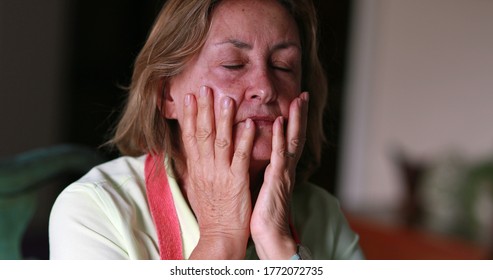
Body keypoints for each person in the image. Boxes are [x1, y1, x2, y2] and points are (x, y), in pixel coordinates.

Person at [49, 0, 364, 260]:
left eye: (283, 66)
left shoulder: (322, 215)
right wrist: (221, 234)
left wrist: (278, 246)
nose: (265, 88)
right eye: (233, 64)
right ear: (166, 95)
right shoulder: (95, 209)